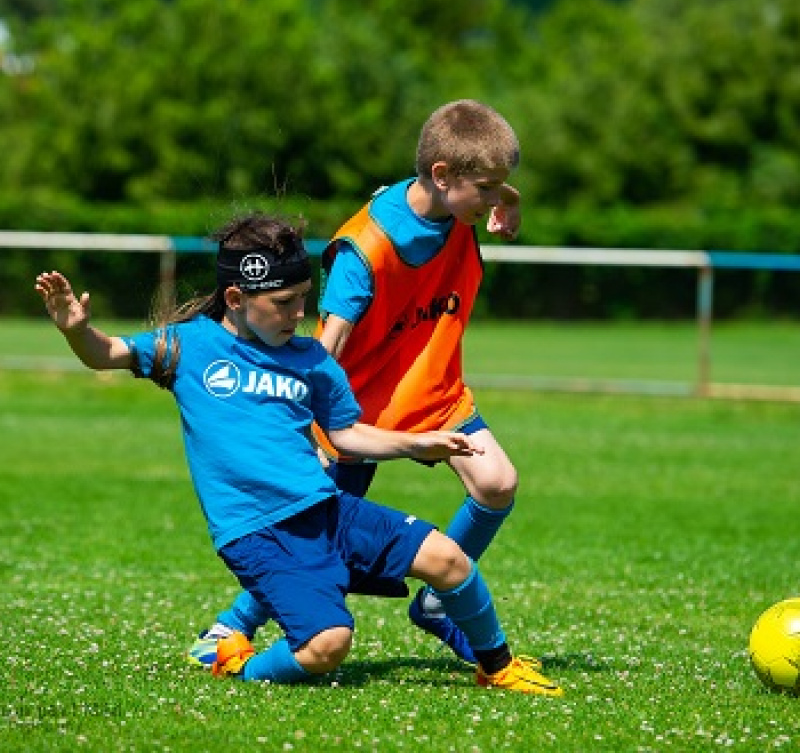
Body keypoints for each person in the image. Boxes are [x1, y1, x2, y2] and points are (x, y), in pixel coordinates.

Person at [34, 213, 563, 696]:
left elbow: (348, 435)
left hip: (327, 510)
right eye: (283, 303)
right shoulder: (186, 347)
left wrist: (416, 443)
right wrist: (76, 330)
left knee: (450, 559)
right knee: (329, 646)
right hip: (261, 534)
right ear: (237, 300)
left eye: (303, 297)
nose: (299, 313)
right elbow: (105, 353)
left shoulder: (310, 359)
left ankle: (497, 668)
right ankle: (238, 666)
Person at [197, 99, 541, 671]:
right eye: (486, 188)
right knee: (317, 533)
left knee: (497, 481)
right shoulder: (366, 249)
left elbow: (495, 195)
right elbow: (325, 346)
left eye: (497, 188)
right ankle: (230, 626)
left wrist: (511, 203)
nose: (492, 199)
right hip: (356, 410)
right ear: (442, 176)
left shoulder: (462, 203)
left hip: (430, 391)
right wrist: (303, 422)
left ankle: (437, 601)